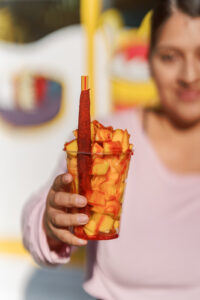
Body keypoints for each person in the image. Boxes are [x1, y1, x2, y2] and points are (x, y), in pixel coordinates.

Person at [22, 0, 200, 299]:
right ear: (150, 61)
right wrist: (50, 222)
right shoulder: (104, 140)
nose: (189, 75)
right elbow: (36, 220)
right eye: (170, 57)